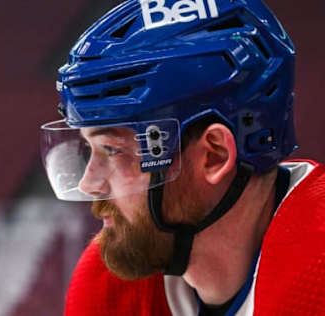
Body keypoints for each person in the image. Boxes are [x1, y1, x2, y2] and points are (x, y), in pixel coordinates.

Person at [40, 0, 325, 315]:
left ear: (213, 156)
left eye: (112, 150)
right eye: (89, 149)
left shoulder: (315, 281)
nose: (89, 183)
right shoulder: (111, 289)